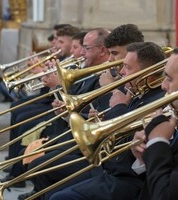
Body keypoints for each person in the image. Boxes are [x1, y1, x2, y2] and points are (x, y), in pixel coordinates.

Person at [48, 41, 166, 200]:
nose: (122, 72)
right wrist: (100, 121)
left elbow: (131, 144)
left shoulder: (156, 99)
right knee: (53, 190)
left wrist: (117, 107)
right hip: (109, 168)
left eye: (128, 68)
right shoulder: (136, 91)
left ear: (148, 72)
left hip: (128, 178)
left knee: (59, 197)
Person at [17, 27, 111, 200]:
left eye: (86, 48)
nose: (82, 52)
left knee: (39, 161)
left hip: (88, 146)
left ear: (102, 51)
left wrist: (58, 87)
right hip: (72, 130)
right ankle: (32, 189)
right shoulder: (91, 70)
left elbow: (82, 107)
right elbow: (75, 101)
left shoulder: (108, 77)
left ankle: (36, 192)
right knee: (21, 115)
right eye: (80, 47)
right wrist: (58, 92)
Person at [131, 44, 178, 200]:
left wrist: (157, 141)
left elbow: (166, 195)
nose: (163, 86)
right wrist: (145, 156)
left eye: (169, 79)